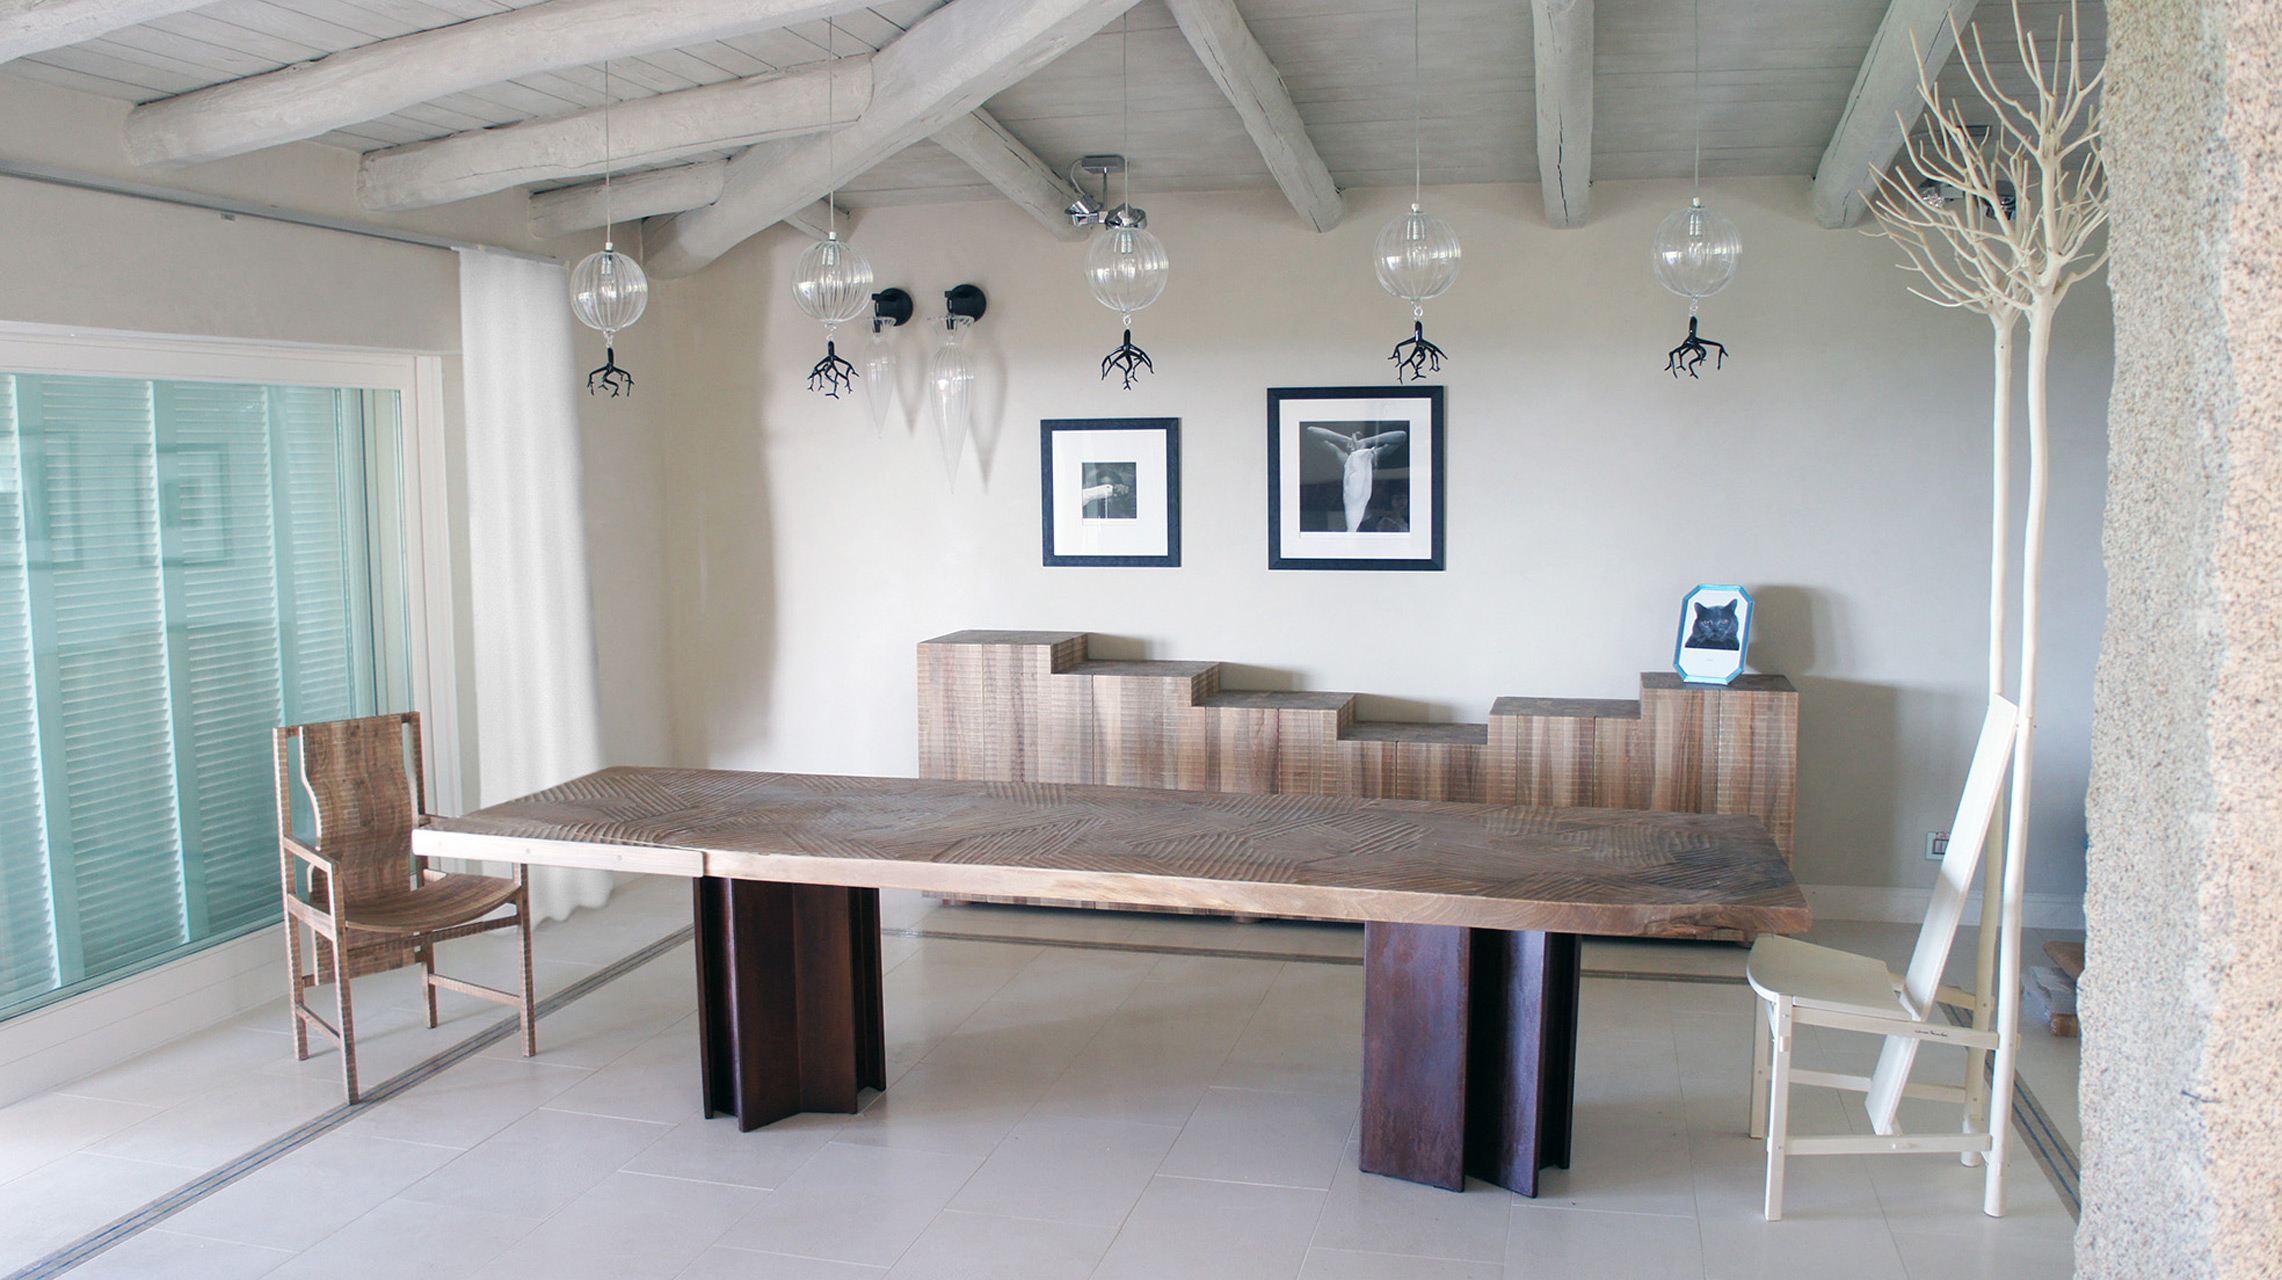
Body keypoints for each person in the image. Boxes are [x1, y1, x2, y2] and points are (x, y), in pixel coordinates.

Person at [1305, 425, 1408, 532]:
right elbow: (1311, 431)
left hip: (1367, 518)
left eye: (1358, 442)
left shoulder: (1369, 458)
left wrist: (1367, 441)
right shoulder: (1345, 459)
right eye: (1353, 442)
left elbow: (1401, 436)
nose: (1355, 444)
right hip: (1344, 516)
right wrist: (1344, 439)